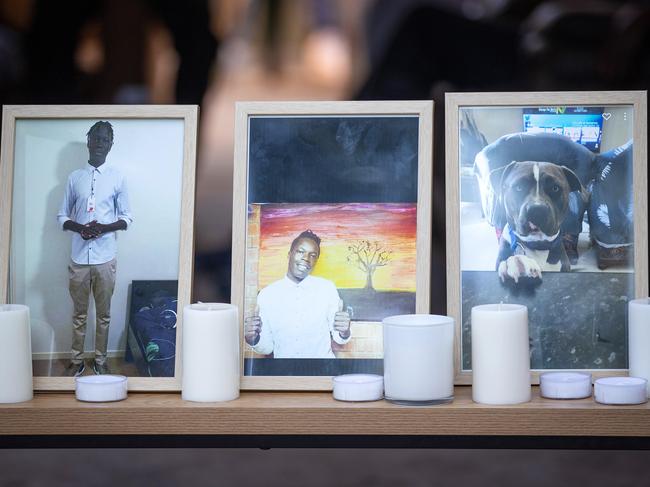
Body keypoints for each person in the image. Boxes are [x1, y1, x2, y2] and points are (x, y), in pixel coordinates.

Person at [58, 121, 133, 376]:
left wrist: (102, 228)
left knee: (104, 315)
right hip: (79, 257)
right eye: (96, 138)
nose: (100, 143)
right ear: (88, 140)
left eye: (105, 140)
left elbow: (126, 218)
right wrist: (81, 228)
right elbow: (61, 216)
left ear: (111, 145)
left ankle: (101, 359)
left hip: (105, 258)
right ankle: (77, 360)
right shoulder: (74, 178)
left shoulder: (118, 177)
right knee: (79, 314)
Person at [244, 230, 351, 358]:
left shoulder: (327, 288)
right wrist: (253, 339)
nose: (306, 259)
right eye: (300, 252)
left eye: (312, 255)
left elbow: (339, 338)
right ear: (289, 254)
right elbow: (267, 348)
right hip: (285, 373)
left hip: (322, 370)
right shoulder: (267, 295)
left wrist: (344, 331)